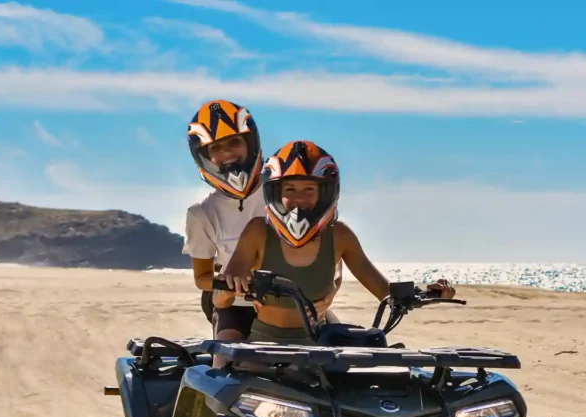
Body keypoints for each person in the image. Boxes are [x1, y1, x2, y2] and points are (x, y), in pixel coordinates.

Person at [217, 140, 455, 345]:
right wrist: (231, 287)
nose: (299, 198)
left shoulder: (339, 235)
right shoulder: (259, 231)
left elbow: (385, 293)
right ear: (275, 192)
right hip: (265, 345)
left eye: (309, 189)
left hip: (319, 347)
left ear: (326, 192)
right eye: (290, 188)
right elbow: (221, 295)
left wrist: (427, 293)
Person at [182, 99, 341, 344]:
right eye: (215, 148)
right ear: (203, 157)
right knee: (227, 362)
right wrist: (235, 284)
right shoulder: (201, 213)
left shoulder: (285, 191)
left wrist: (331, 290)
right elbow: (201, 278)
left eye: (234, 142)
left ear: (251, 142)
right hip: (236, 307)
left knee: (340, 354)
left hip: (297, 303)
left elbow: (331, 249)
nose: (226, 153)